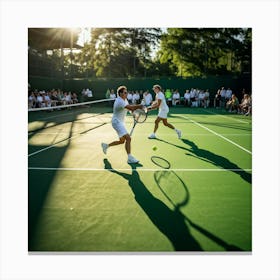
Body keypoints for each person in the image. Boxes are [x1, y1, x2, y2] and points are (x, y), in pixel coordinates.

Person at [101, 86, 144, 164]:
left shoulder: (124, 100)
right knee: (128, 138)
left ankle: (106, 146)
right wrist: (140, 106)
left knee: (122, 141)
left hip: (120, 122)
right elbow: (131, 108)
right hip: (116, 122)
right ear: (120, 93)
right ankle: (130, 158)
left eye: (126, 92)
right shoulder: (119, 101)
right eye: (125, 92)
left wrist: (135, 114)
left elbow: (130, 109)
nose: (126, 93)